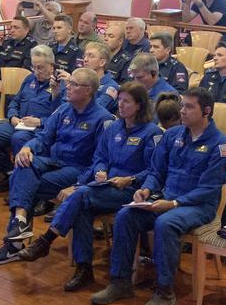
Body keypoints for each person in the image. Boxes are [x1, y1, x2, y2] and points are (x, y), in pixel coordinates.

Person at [91, 87, 226, 305]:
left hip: (198, 207)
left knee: (165, 223)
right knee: (126, 216)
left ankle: (165, 293)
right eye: (182, 105)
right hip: (164, 199)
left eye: (189, 107)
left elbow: (208, 189)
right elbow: (156, 171)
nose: (182, 111)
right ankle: (121, 282)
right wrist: (146, 189)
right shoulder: (172, 136)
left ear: (206, 111)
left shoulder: (220, 144)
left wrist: (173, 203)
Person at [17, 83, 160, 292]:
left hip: (132, 191)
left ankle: (46, 240)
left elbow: (154, 170)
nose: (120, 105)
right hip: (104, 186)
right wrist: (100, 171)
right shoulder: (112, 128)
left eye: (126, 101)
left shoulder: (151, 133)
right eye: (119, 100)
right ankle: (84, 269)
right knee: (82, 209)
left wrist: (130, 179)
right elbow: (99, 158)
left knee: (81, 194)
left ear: (139, 105)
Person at [0, 68, 113, 265]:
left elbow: (100, 160)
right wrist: (28, 148)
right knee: (23, 163)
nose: (67, 88)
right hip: (53, 161)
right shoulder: (63, 110)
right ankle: (20, 223)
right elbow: (43, 138)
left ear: (88, 90)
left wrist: (79, 185)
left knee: (23, 182)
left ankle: (14, 245)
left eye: (73, 84)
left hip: (77, 169)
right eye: (68, 84)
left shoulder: (102, 119)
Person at [0, 46, 63, 193]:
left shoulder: (60, 86)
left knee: (19, 138)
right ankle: (10, 172)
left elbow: (61, 116)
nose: (36, 71)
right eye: (33, 67)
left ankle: (22, 185)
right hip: (18, 123)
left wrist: (40, 121)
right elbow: (15, 101)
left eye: (41, 67)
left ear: (52, 66)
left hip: (40, 129)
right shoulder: (29, 78)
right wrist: (12, 116)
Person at [0, 16, 35, 90]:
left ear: (26, 30)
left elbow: (24, 71)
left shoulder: (31, 46)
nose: (12, 30)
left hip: (13, 84)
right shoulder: (7, 42)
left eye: (16, 28)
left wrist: (4, 81)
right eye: (11, 27)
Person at [80, 41, 121, 113]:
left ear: (102, 62)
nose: (85, 59)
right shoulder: (80, 81)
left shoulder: (111, 87)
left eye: (91, 56)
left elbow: (94, 110)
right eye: (85, 56)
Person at [108, 18, 150, 82]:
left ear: (141, 29)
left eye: (131, 28)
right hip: (116, 73)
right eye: (127, 28)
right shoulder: (122, 42)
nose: (128, 31)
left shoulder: (148, 46)